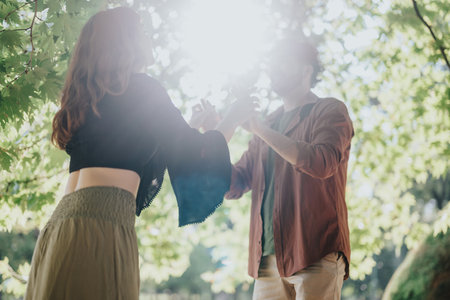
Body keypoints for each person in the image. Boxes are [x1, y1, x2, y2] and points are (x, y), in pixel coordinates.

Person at [24, 7, 252, 300]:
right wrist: (234, 116)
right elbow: (197, 154)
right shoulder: (145, 89)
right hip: (101, 226)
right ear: (126, 41)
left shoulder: (87, 100)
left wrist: (191, 126)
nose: (147, 38)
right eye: (141, 31)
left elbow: (132, 153)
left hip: (60, 226)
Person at [196, 39, 354, 299]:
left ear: (306, 69)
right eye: (272, 62)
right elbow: (234, 184)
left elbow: (322, 162)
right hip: (267, 262)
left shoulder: (330, 110)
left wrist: (259, 129)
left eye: (283, 61)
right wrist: (213, 137)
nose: (274, 68)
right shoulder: (268, 124)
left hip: (315, 252)